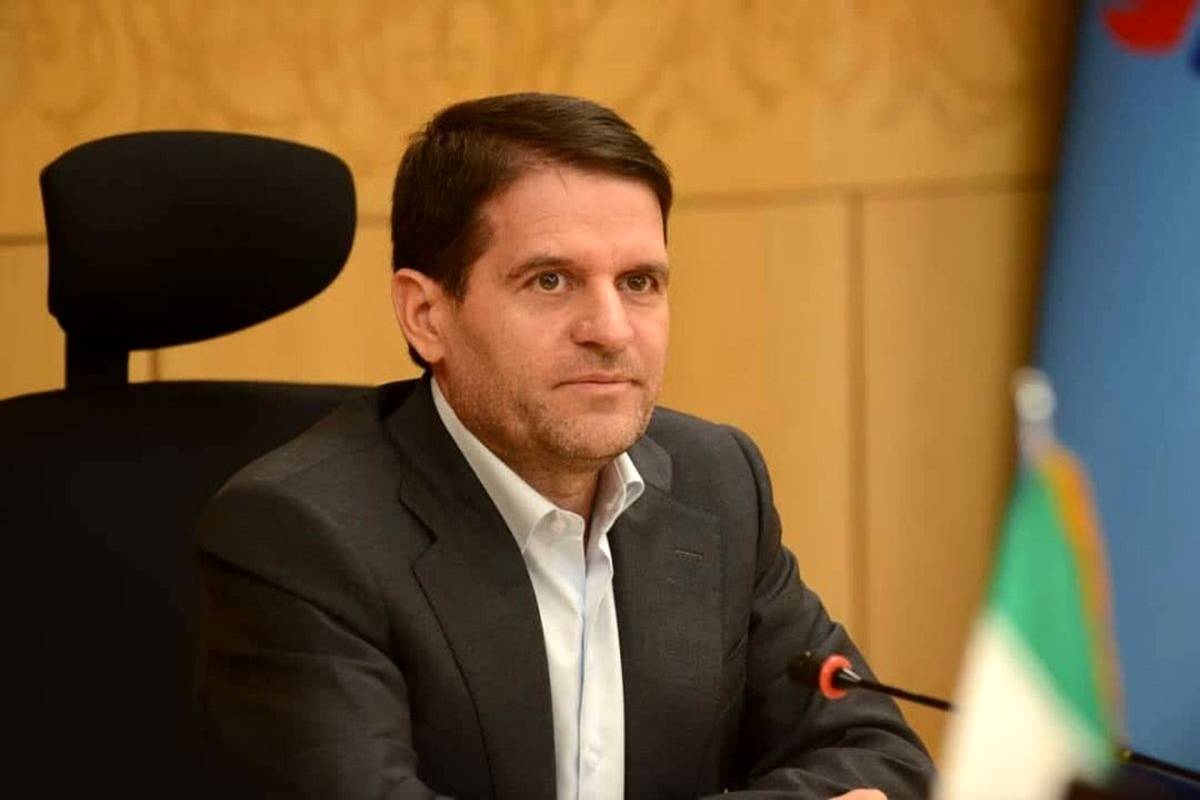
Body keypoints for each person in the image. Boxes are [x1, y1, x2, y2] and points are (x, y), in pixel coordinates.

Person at [198, 93, 934, 799]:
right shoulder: (303, 536)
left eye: (639, 282)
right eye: (551, 281)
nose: (610, 329)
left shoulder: (717, 483)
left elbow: (880, 756)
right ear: (426, 315)